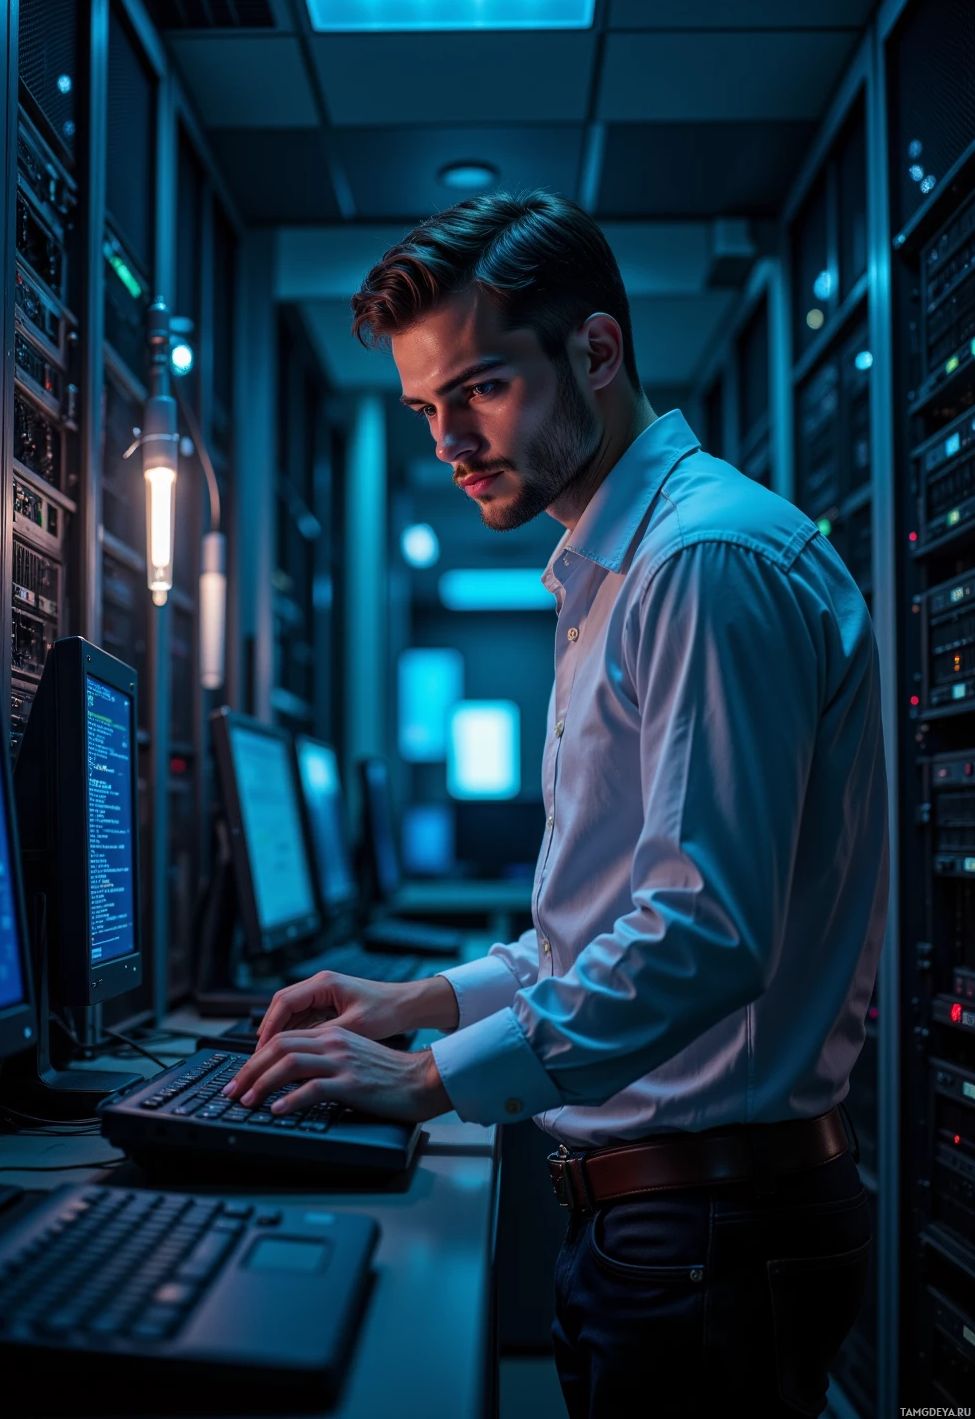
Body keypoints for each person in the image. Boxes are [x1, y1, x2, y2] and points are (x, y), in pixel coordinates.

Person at [222, 192, 888, 1418]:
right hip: (670, 1219)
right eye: (427, 409)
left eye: (478, 389)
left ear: (594, 350)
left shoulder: (702, 565)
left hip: (711, 1225)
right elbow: (615, 918)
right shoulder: (613, 572)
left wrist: (427, 1080)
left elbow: (703, 933)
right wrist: (417, 1003)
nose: (449, 442)